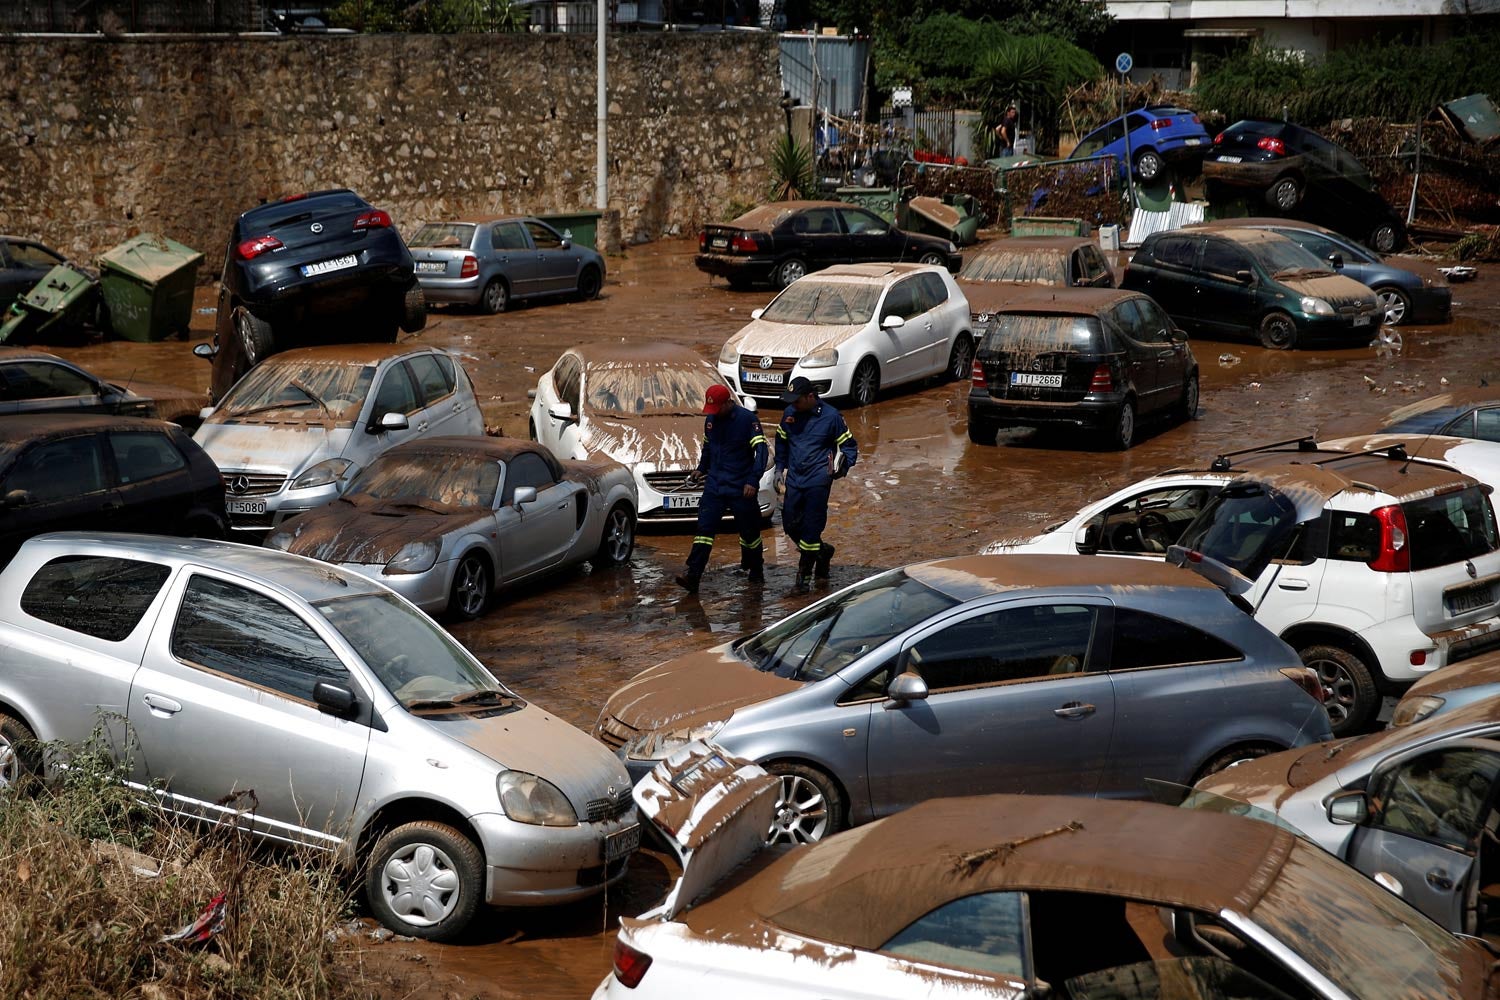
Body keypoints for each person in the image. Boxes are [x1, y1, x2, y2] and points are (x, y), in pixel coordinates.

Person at [676, 384, 769, 595]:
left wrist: (753, 481)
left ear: (729, 403)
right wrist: (701, 469)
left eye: (718, 408)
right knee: (704, 531)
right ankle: (693, 574)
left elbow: (761, 452)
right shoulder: (710, 421)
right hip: (715, 485)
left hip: (741, 486)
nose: (714, 414)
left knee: (750, 532)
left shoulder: (747, 420)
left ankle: (756, 569)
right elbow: (708, 449)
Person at [774, 377, 858, 591]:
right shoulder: (790, 415)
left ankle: (802, 580)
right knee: (791, 524)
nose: (793, 405)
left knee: (811, 528)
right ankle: (823, 552)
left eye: (797, 401)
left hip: (818, 479)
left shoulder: (831, 417)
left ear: (810, 397)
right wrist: (778, 468)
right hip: (794, 477)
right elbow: (781, 441)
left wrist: (842, 467)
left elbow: (849, 445)